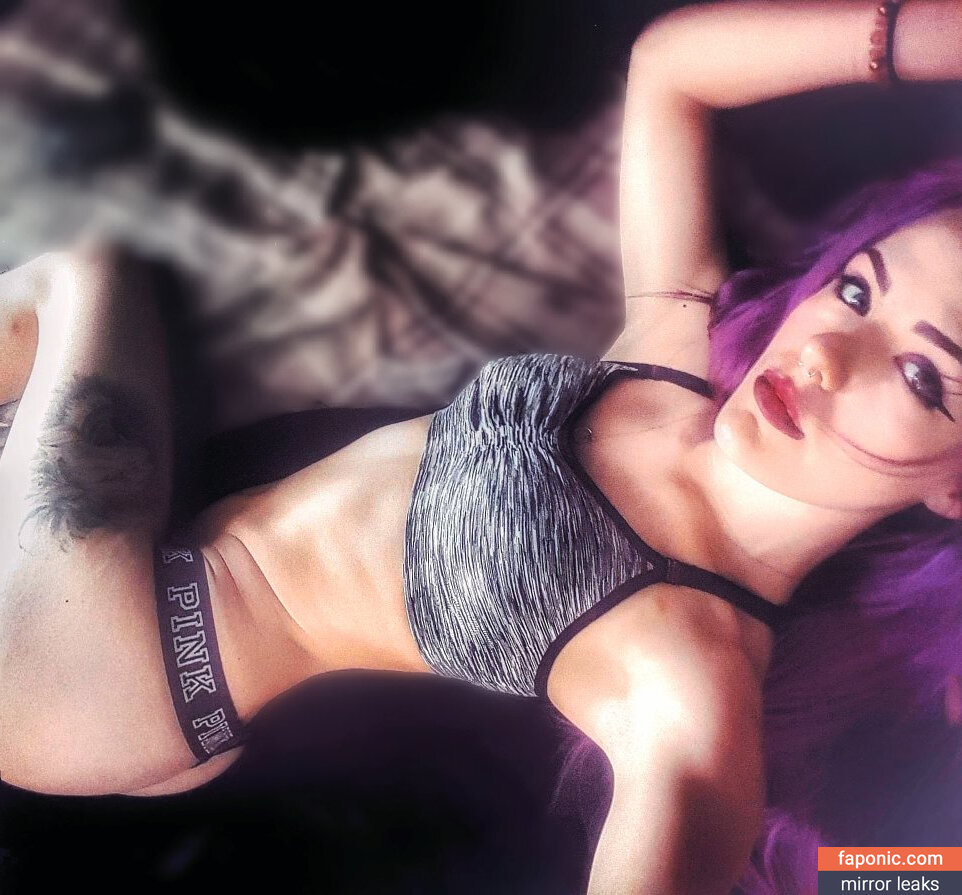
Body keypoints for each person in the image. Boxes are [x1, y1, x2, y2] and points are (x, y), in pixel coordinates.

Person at [1, 1, 961, 893]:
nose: (825, 355)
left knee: (78, 269)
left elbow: (858, 859)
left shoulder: (691, 687)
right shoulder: (673, 353)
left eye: (923, 375)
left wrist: (912, 868)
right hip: (153, 591)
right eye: (856, 290)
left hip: (102, 662)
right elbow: (671, 71)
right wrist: (931, 30)